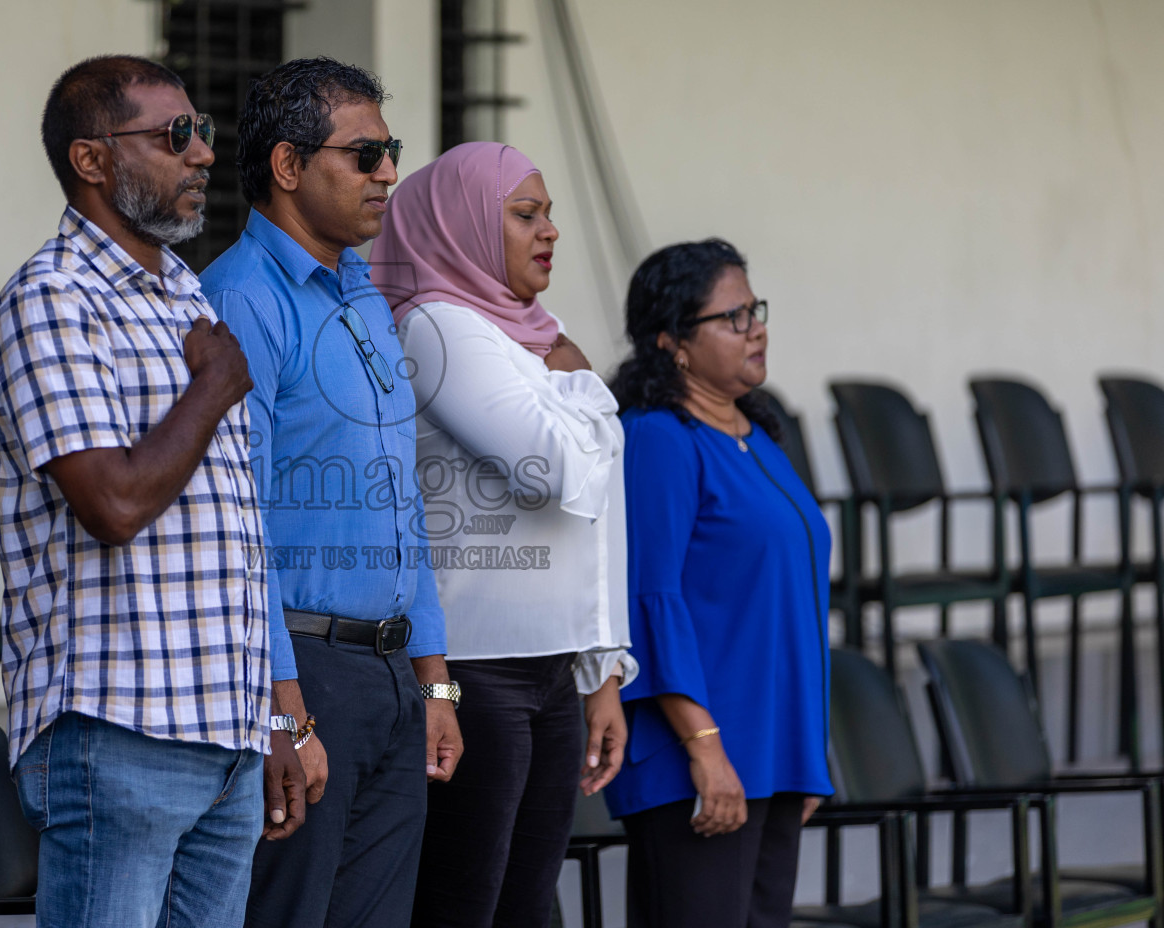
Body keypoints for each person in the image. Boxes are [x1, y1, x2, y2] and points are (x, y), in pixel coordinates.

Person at [0, 55, 314, 928]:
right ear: (92, 160)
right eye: (176, 136)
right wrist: (212, 388)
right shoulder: (51, 300)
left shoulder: (182, 295)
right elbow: (114, 505)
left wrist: (274, 723)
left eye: (201, 133)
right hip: (118, 729)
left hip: (224, 734)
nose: (203, 154)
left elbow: (235, 539)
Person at [201, 56, 462, 928]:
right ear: (288, 166)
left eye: (392, 150)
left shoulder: (361, 294)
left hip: (389, 676)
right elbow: (240, 532)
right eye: (365, 154)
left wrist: (434, 684)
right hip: (304, 673)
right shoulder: (242, 301)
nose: (389, 172)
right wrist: (285, 713)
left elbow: (403, 513)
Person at [367, 141, 636, 928]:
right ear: (460, 228)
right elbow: (551, 469)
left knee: (525, 905)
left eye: (549, 213)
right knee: (465, 902)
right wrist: (586, 385)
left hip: (552, 665)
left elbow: (596, 510)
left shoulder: (528, 332)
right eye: (525, 214)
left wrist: (602, 669)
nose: (549, 230)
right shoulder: (437, 329)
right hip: (476, 671)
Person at [602, 238, 833, 928]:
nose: (756, 327)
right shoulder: (659, 438)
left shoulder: (758, 434)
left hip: (771, 748)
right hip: (699, 754)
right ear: (672, 342)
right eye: (732, 317)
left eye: (755, 310)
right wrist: (704, 748)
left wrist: (805, 755)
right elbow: (651, 598)